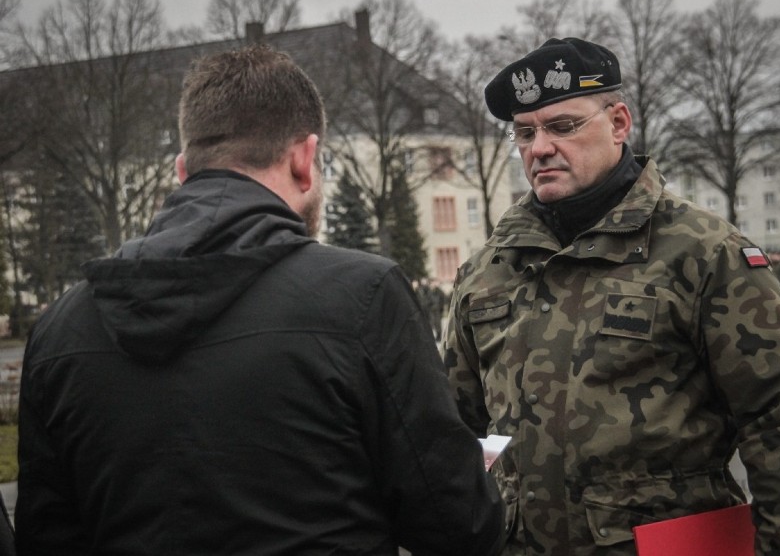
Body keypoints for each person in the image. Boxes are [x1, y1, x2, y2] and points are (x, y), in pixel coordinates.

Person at [16, 45, 505, 556]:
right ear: (304, 158)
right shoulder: (363, 297)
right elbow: (459, 528)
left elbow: (45, 534)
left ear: (183, 170)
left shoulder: (61, 329)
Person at [442, 37, 780, 555]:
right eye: (525, 132)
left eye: (563, 126)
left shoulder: (702, 252)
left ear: (619, 123)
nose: (539, 148)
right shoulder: (489, 272)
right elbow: (459, 433)